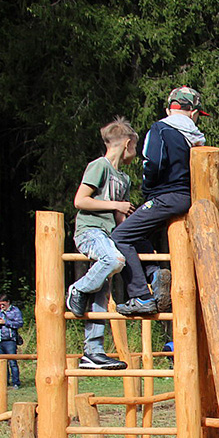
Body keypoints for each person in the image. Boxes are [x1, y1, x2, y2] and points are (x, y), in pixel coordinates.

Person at [113, 87, 206, 315]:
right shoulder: (197, 138)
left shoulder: (160, 129)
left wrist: (148, 190)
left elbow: (152, 162)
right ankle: (155, 274)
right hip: (189, 197)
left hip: (166, 196)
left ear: (168, 109)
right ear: (193, 112)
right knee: (137, 234)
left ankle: (140, 296)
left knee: (120, 236)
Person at [66, 117, 138, 370]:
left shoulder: (124, 179)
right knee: (113, 261)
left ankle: (93, 351)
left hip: (107, 235)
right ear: (127, 143)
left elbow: (120, 218)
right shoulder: (100, 166)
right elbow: (81, 201)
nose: (135, 154)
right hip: (90, 231)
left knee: (102, 293)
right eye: (134, 148)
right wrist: (115, 205)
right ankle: (77, 289)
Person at [0, 294, 24, 388]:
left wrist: (6, 322)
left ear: (8, 302)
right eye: (0, 304)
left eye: (3, 304)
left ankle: (16, 382)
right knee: (2, 363)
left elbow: (20, 323)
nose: (1, 306)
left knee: (12, 362)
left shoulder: (15, 311)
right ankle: (4, 381)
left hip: (10, 340)